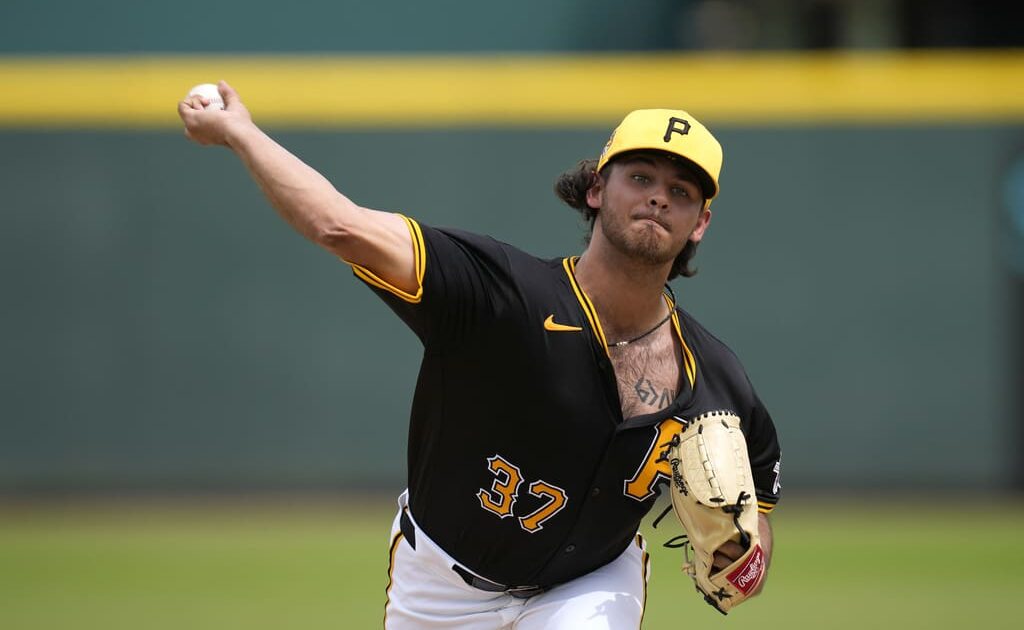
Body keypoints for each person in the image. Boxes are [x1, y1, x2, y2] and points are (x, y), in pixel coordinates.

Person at [178, 82, 782, 629]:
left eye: (681, 191)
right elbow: (340, 225)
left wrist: (742, 557)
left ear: (700, 222)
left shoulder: (715, 379)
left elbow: (758, 525)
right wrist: (240, 133)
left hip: (589, 586)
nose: (658, 198)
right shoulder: (500, 293)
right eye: (641, 177)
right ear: (597, 188)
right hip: (442, 581)